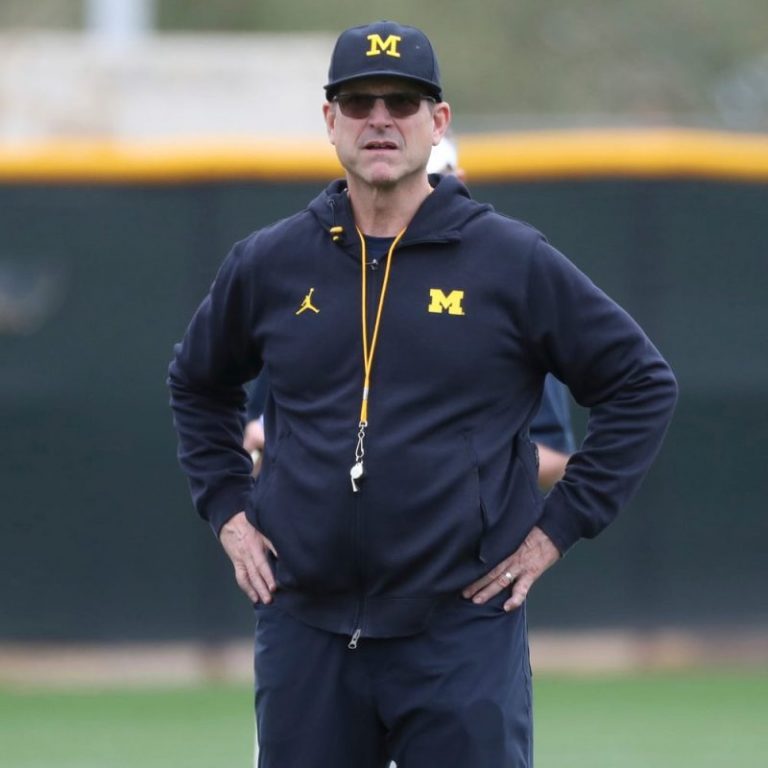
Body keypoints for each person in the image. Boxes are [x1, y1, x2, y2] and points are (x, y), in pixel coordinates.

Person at [168, 20, 677, 768]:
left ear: (437, 122)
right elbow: (196, 381)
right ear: (330, 120)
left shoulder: (509, 260)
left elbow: (641, 383)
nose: (380, 119)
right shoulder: (271, 262)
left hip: (459, 631)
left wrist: (556, 530)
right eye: (359, 102)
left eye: (401, 102)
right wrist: (228, 512)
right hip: (306, 628)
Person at [243, 134, 576, 489]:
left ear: (458, 181)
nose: (407, 196)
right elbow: (253, 429)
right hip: (319, 518)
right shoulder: (314, 283)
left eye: (428, 180)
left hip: (451, 522)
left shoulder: (500, 279)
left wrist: (442, 467)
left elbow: (554, 453)